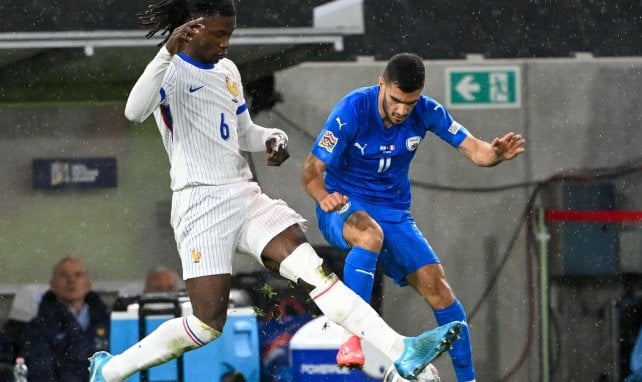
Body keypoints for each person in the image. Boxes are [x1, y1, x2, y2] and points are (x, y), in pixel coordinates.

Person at [88, 1, 461, 381]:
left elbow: (243, 131)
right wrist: (167, 50)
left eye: (229, 34)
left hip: (242, 194)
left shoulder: (228, 71)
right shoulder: (168, 69)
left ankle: (401, 350)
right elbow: (134, 111)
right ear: (193, 29)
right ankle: (112, 369)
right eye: (219, 34)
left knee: (314, 272)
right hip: (199, 204)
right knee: (206, 324)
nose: (226, 44)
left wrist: (272, 137)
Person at [301, 52, 526, 382]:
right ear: (382, 84)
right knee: (369, 234)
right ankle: (351, 340)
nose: (402, 110)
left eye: (410, 102)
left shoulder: (427, 111)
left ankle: (468, 379)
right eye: (395, 100)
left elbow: (477, 151)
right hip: (345, 206)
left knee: (440, 289)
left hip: (393, 212)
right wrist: (324, 196)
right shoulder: (352, 110)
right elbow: (310, 172)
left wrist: (494, 154)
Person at [23, 257, 110, 382]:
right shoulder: (38, 328)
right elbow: (41, 372)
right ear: (52, 284)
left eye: (78, 275)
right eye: (64, 275)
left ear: (88, 282)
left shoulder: (108, 321)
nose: (71, 280)